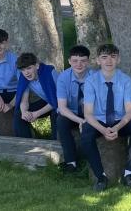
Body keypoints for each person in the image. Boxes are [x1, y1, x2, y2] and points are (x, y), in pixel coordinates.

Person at [81, 44, 131, 191]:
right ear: (98, 60)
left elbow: (129, 111)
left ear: (118, 59)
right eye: (104, 57)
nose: (109, 61)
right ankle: (100, 176)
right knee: (86, 135)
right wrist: (103, 130)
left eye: (113, 57)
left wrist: (117, 127)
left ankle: (129, 173)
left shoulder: (125, 80)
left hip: (119, 121)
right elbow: (88, 114)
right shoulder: (91, 81)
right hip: (99, 121)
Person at [56, 45, 93, 173]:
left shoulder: (95, 77)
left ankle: (91, 161)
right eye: (75, 61)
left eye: (83, 61)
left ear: (88, 62)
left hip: (91, 113)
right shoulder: (63, 78)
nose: (79, 64)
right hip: (72, 114)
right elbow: (62, 107)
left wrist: (88, 119)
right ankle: (71, 162)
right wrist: (81, 121)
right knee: (61, 121)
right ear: (69, 61)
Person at [13, 52, 59, 139]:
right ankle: (25, 143)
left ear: (37, 66)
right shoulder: (24, 77)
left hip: (61, 102)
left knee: (56, 113)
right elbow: (24, 100)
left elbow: (57, 100)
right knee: (19, 113)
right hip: (47, 101)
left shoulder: (50, 73)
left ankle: (55, 143)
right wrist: (24, 112)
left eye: (29, 68)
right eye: (23, 70)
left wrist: (36, 114)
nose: (26, 73)